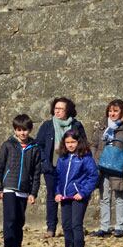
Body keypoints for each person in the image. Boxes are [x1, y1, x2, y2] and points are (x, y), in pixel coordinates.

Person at [34, 97, 86, 238]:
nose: (57, 111)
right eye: (56, 108)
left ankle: (68, 227)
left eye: (61, 109)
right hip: (52, 166)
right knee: (52, 196)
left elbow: (83, 145)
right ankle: (51, 227)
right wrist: (45, 162)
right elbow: (39, 145)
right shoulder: (47, 125)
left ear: (67, 110)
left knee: (69, 196)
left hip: (72, 167)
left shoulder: (76, 126)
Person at [0, 114, 42, 247]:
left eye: (25, 130)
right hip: (9, 188)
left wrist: (33, 192)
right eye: (19, 130)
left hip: (24, 189)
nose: (22, 133)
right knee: (10, 219)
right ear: (14, 130)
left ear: (30, 130)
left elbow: (36, 172)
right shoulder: (7, 145)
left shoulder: (34, 147)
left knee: (20, 220)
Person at [90, 99, 123, 238]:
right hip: (102, 166)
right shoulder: (103, 126)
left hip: (120, 166)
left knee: (120, 195)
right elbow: (94, 143)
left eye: (115, 111)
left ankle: (120, 226)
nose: (112, 113)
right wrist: (94, 159)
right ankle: (104, 226)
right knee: (104, 197)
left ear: (122, 111)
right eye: (110, 111)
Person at [54, 130, 99, 247]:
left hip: (78, 197)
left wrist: (83, 192)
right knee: (66, 225)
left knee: (76, 225)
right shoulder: (62, 158)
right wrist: (57, 192)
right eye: (67, 142)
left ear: (79, 142)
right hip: (64, 196)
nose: (70, 145)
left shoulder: (85, 157)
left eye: (73, 142)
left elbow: (93, 176)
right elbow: (58, 177)